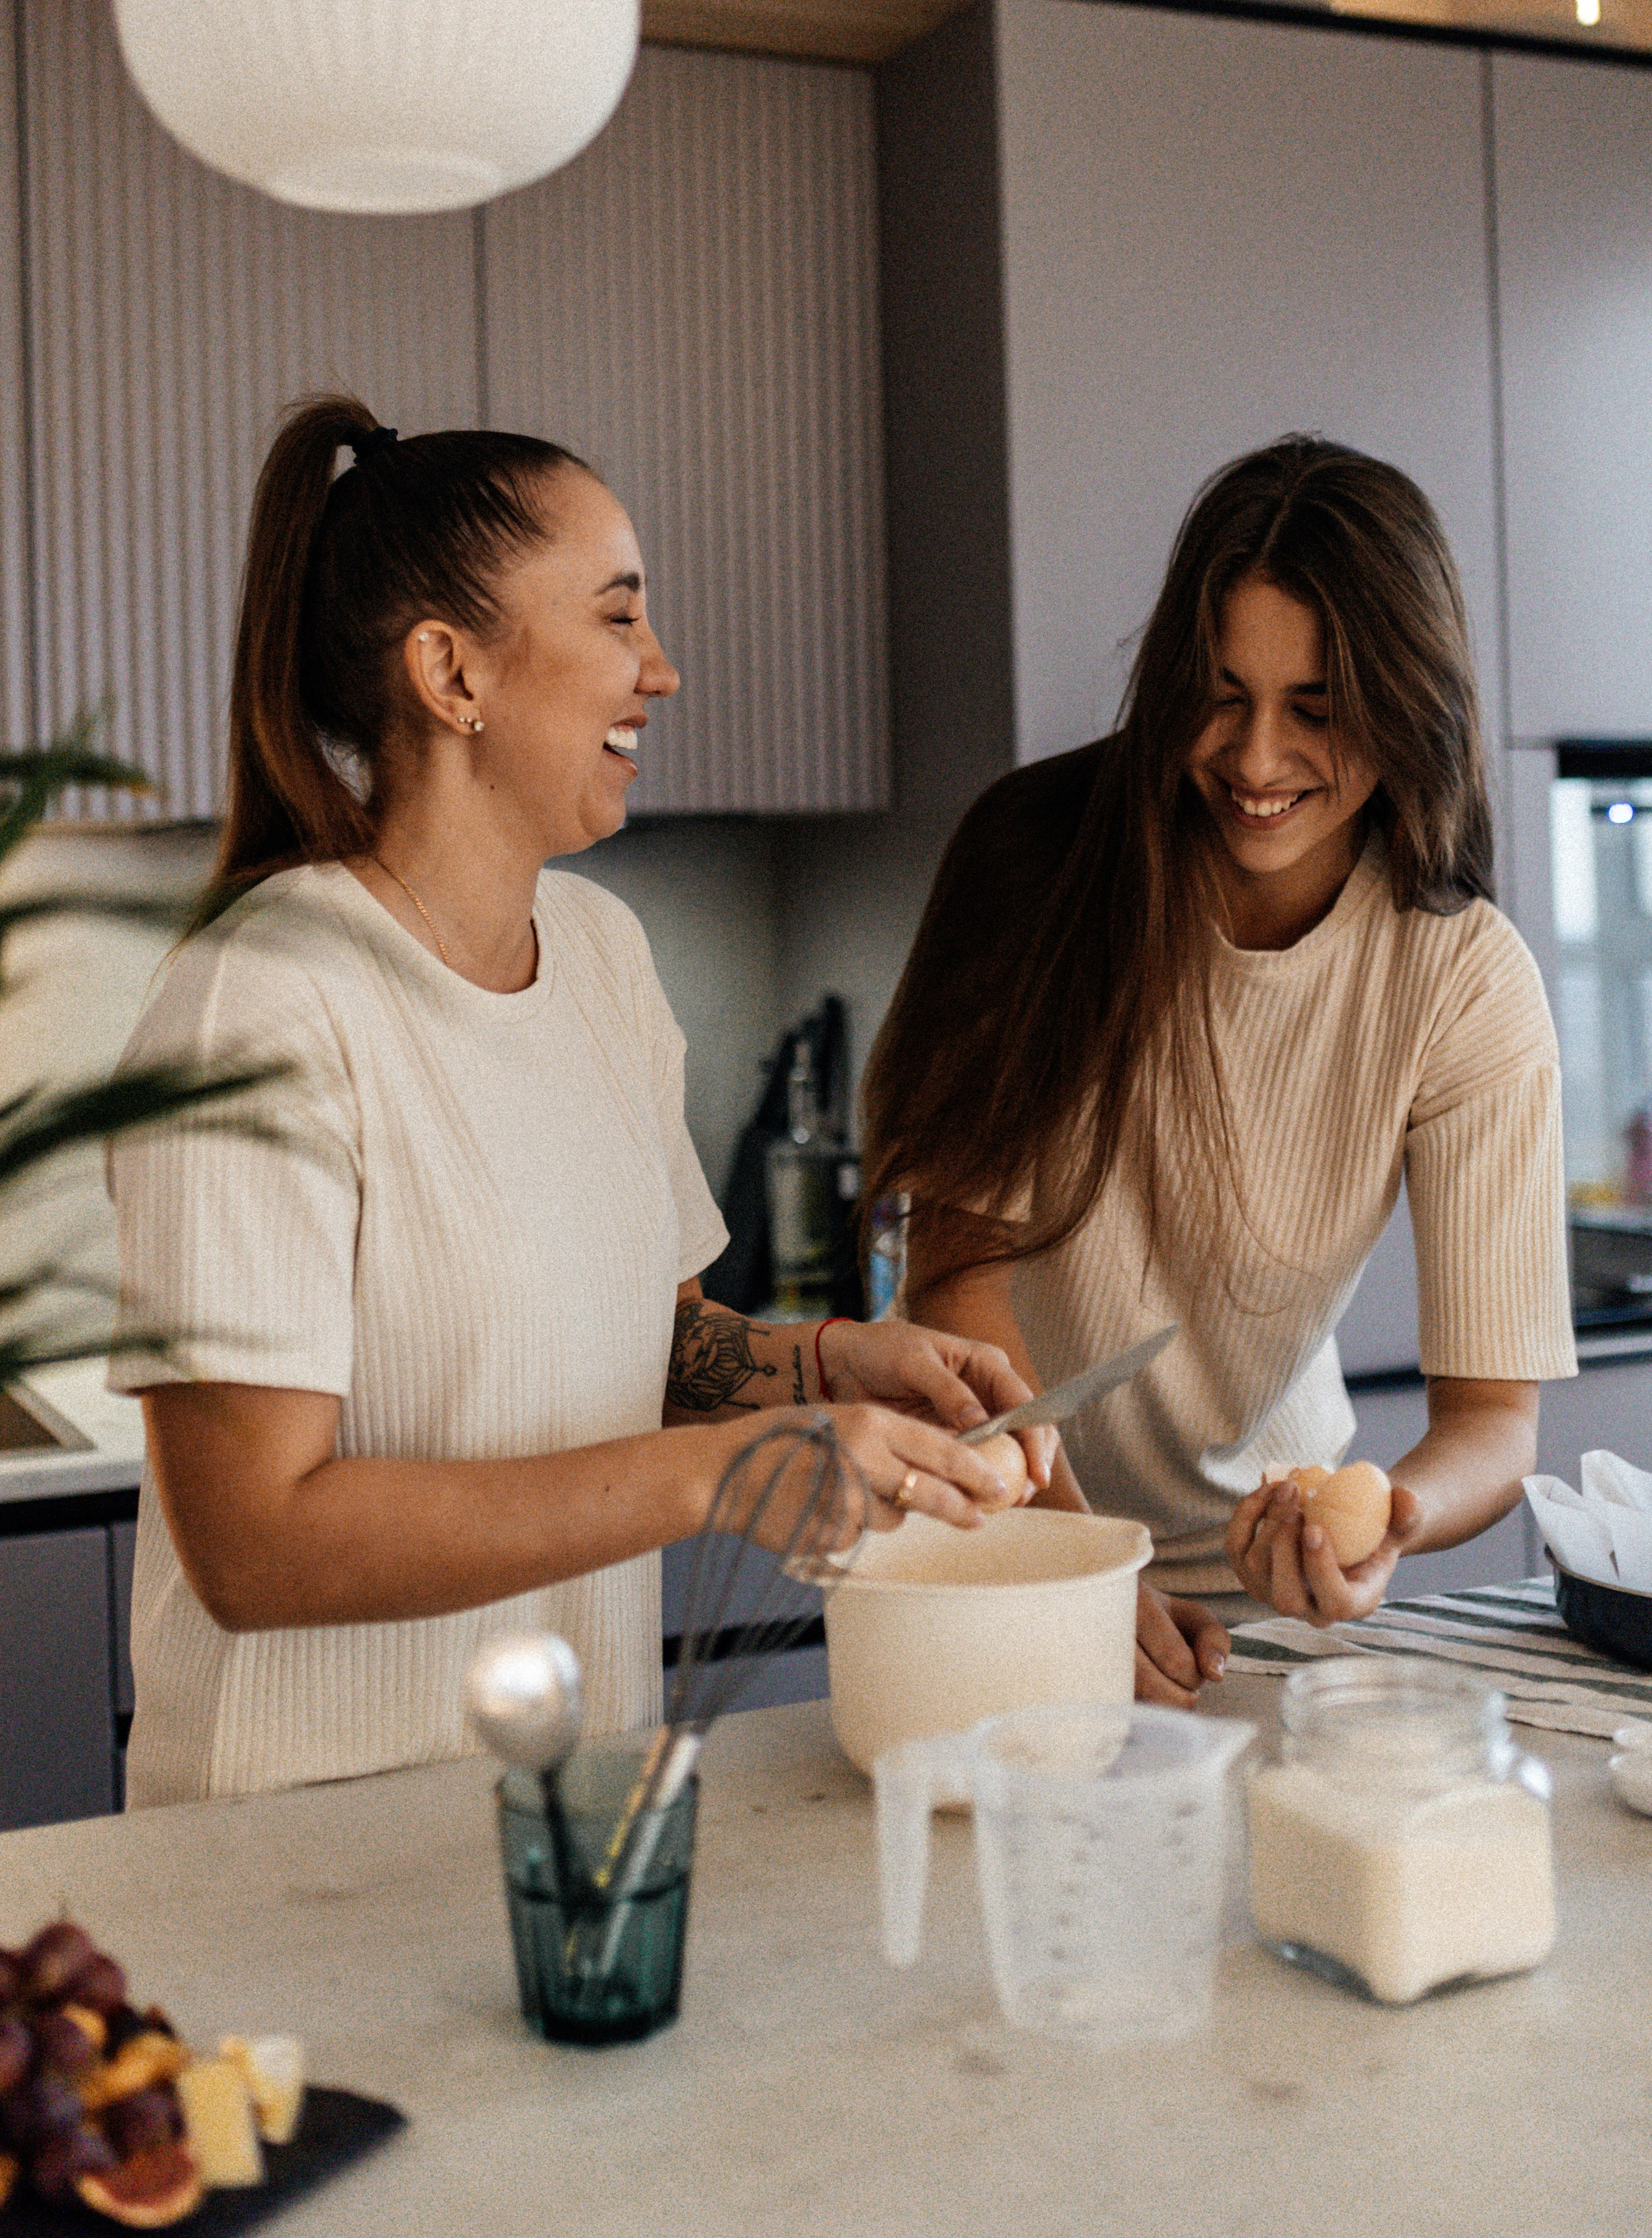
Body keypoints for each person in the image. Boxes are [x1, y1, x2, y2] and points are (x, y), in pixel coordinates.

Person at [108, 398, 1051, 1807]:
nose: (660, 671)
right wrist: (717, 1476)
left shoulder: (604, 956)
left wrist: (827, 1369)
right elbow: (256, 1545)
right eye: (617, 618)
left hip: (578, 1816)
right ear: (450, 669)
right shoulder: (264, 998)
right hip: (295, 1867)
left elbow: (650, 1342)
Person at [862, 435, 1577, 1702]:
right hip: (1007, 1532)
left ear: (1407, 702)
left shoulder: (1460, 978)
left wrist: (1382, 1523)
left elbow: (1490, 1423)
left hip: (1260, 1569)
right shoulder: (1034, 865)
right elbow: (955, 1274)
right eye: (1219, 693)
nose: (1253, 760)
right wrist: (1076, 1560)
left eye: (1313, 707)